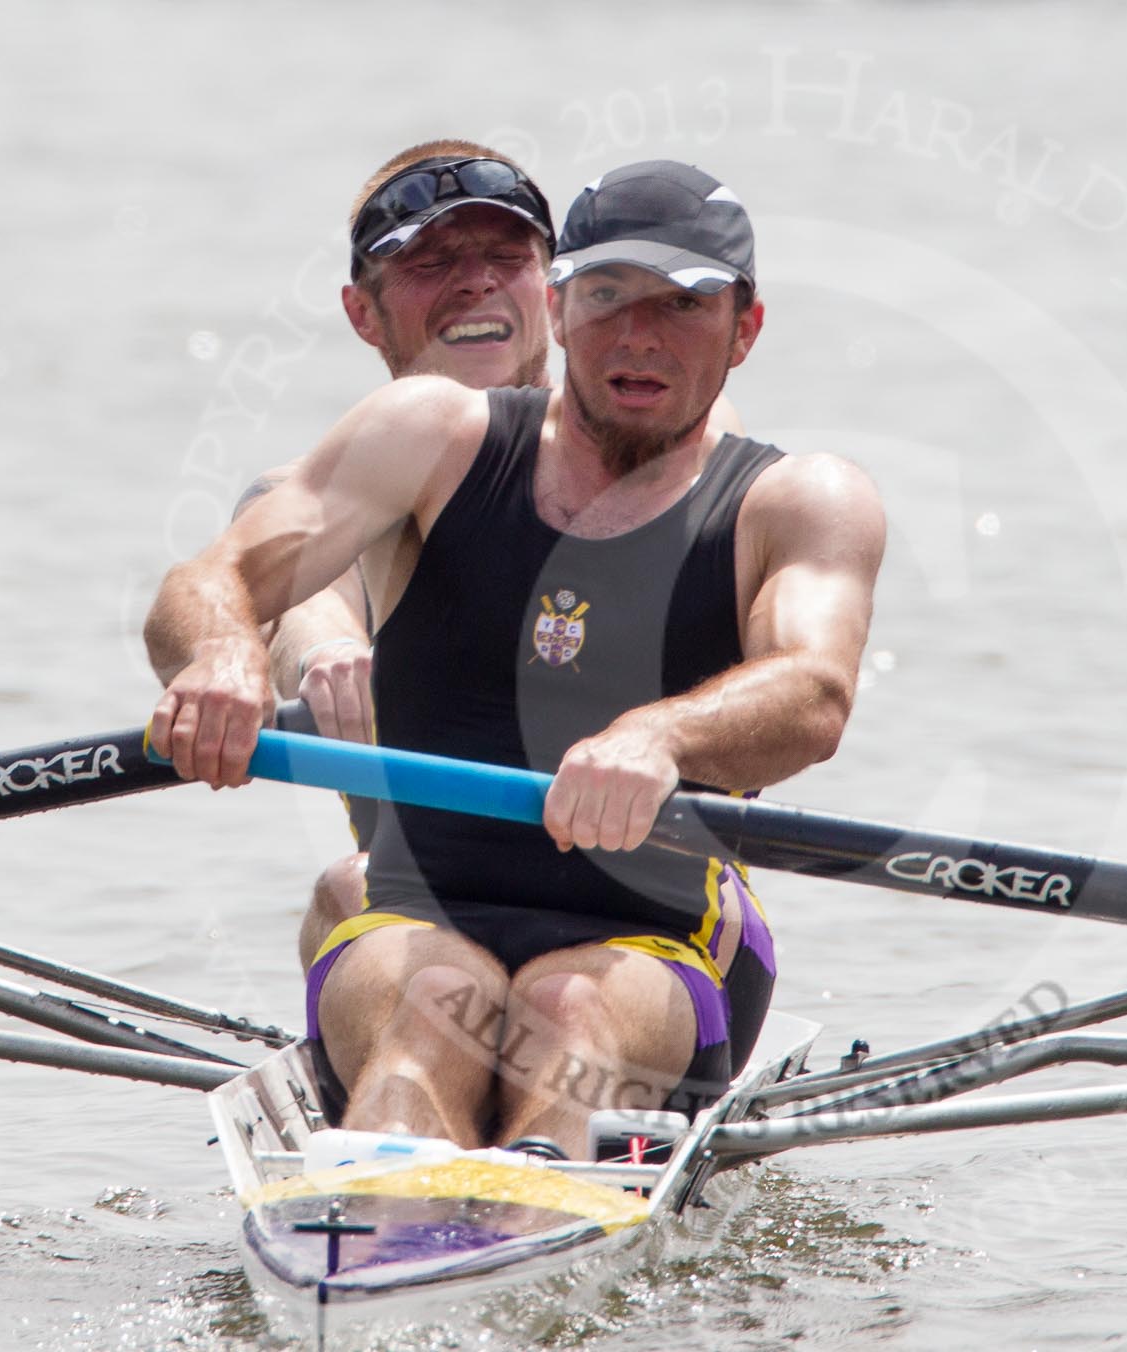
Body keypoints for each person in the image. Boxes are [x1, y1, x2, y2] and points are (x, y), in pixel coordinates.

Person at [146, 160, 885, 1159]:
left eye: (682, 304)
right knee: (430, 1013)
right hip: (417, 915)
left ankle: (510, 1209)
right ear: (561, 307)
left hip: (650, 940)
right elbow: (210, 579)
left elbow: (814, 690)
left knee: (565, 1014)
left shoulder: (799, 498)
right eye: (609, 296)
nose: (640, 335)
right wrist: (224, 656)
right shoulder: (428, 435)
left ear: (744, 330)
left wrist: (658, 736)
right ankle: (391, 1231)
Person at [265, 141, 747, 975]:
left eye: (506, 257)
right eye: (430, 263)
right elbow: (287, 599)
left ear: (552, 297)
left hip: (657, 933)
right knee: (346, 888)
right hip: (428, 919)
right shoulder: (324, 492)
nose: (476, 283)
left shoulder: (672, 441)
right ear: (363, 313)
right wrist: (323, 652)